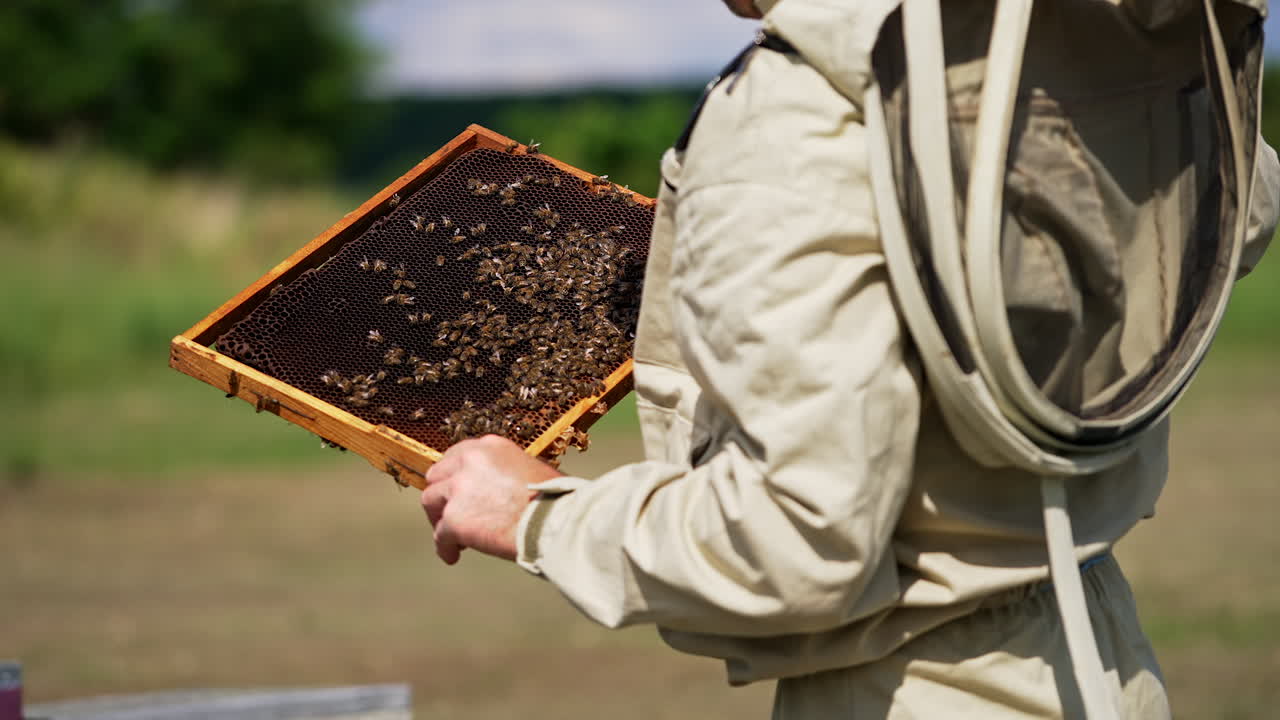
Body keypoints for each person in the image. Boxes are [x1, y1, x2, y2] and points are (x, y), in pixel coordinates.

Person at [420, 0, 1279, 716]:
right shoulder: (1079, 45)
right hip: (1105, 660)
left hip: (914, 688)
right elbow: (1240, 213)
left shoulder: (799, 112)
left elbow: (795, 542)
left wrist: (536, 514)